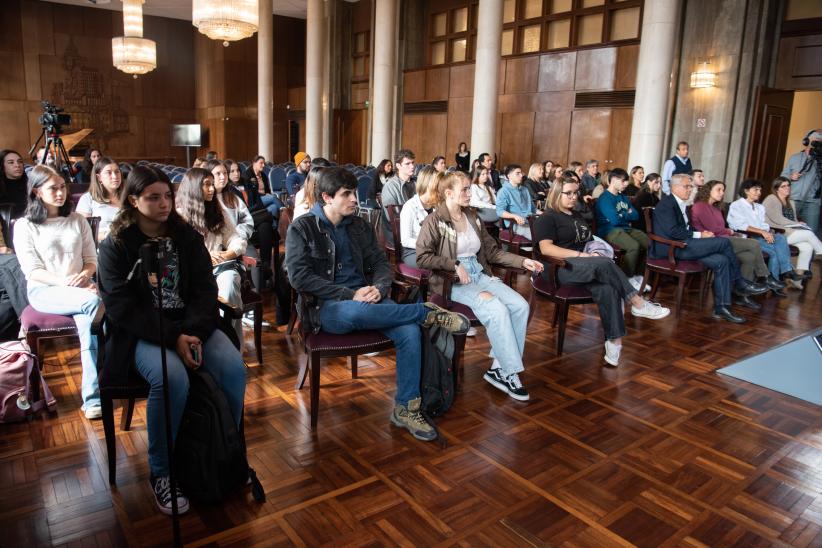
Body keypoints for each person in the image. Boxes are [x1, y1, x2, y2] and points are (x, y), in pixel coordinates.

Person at [97, 165, 245, 516]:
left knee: (234, 371)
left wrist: (191, 331)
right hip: (145, 332)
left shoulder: (185, 236)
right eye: (153, 197)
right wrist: (174, 337)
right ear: (133, 200)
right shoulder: (116, 244)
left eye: (168, 196)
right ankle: (162, 471)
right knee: (170, 377)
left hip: (192, 326)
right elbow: (121, 307)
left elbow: (204, 289)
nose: (164, 204)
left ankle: (227, 451)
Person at [285, 167, 469, 442]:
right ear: (326, 197)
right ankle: (425, 312)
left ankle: (406, 408)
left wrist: (379, 288)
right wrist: (350, 294)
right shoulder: (303, 227)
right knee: (360, 311)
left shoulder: (359, 226)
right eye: (346, 194)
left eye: (355, 193)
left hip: (370, 298)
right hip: (329, 306)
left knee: (408, 331)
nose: (354, 199)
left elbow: (382, 264)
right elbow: (299, 277)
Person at [416, 171, 543, 400]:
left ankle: (498, 368)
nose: (469, 193)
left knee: (520, 305)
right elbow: (423, 257)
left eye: (469, 188)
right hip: (452, 282)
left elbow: (492, 252)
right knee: (496, 308)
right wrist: (453, 264)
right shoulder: (434, 221)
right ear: (449, 193)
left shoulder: (473, 217)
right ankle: (511, 372)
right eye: (464, 189)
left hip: (478, 273)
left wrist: (523, 261)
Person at [534, 176, 670, 366]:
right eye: (569, 193)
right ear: (557, 193)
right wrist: (581, 256)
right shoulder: (548, 217)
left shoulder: (576, 216)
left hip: (584, 266)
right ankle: (637, 302)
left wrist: (594, 250)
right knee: (605, 264)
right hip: (559, 268)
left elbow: (588, 240)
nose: (574, 197)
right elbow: (546, 249)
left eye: (576, 193)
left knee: (608, 287)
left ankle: (614, 341)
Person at [13, 165, 101, 417]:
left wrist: (84, 276)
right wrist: (68, 282)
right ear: (38, 192)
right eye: (53, 188)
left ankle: (92, 399)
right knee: (96, 305)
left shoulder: (77, 220)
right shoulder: (25, 226)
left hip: (82, 291)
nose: (61, 192)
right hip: (45, 291)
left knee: (89, 326)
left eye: (63, 187)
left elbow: (90, 260)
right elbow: (32, 270)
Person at [651, 174, 766, 323]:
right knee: (723, 243)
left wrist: (701, 234)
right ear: (674, 187)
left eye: (690, 186)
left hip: (686, 244)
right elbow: (673, 232)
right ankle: (739, 282)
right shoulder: (667, 204)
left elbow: (686, 227)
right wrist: (700, 234)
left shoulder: (682, 203)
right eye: (686, 186)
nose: (689, 190)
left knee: (722, 260)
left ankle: (722, 308)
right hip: (673, 247)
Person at [176, 168, 247, 342]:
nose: (212, 189)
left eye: (211, 185)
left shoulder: (217, 211)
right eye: (206, 185)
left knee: (230, 282)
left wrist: (228, 253)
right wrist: (206, 256)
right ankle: (211, 337)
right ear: (193, 188)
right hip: (194, 275)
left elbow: (237, 239)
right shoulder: (179, 217)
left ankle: (233, 342)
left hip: (220, 267)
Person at [691, 180, 782, 303]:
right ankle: (765, 276)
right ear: (708, 190)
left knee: (749, 258)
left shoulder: (716, 208)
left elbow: (721, 229)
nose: (722, 193)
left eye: (723, 190)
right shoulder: (700, 206)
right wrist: (730, 232)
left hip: (722, 239)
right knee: (754, 244)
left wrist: (728, 232)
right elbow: (714, 230)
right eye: (718, 190)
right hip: (711, 242)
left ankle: (742, 295)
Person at [727, 179, 803, 289]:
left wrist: (768, 232)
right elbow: (739, 226)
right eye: (755, 190)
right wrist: (762, 232)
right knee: (773, 252)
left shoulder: (759, 207)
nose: (759, 192)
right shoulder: (736, 205)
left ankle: (786, 271)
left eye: (760, 190)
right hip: (748, 238)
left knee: (780, 238)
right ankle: (773, 282)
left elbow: (763, 224)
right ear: (746, 191)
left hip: (761, 236)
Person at [594, 168, 648, 286]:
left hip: (625, 229)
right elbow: (614, 220)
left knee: (649, 243)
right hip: (609, 230)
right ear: (613, 180)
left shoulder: (623, 197)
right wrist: (626, 213)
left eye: (627, 181)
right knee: (633, 246)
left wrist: (621, 214)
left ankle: (637, 276)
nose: (626, 184)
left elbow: (636, 215)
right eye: (623, 181)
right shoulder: (605, 198)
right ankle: (625, 279)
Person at [764, 176, 822, 278]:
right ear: (777, 188)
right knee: (808, 234)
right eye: (783, 186)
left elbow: (793, 220)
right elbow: (777, 219)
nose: (787, 188)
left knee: (807, 247)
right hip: (776, 234)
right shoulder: (771, 199)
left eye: (788, 185)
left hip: (790, 232)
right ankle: (820, 251)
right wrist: (797, 224)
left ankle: (797, 278)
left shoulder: (791, 202)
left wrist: (798, 223)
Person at [781, 129, 821, 235]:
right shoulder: (795, 158)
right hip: (793, 199)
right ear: (806, 141)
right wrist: (791, 176)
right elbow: (782, 177)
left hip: (813, 202)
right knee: (788, 229)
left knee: (812, 232)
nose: (817, 144)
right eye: (815, 140)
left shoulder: (820, 161)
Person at [75, 156, 122, 241]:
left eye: (117, 171)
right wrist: (107, 236)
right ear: (99, 177)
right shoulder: (87, 199)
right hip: (100, 249)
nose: (115, 176)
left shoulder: (128, 197)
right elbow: (82, 232)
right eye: (109, 172)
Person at [399, 166, 437, 267]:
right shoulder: (410, 206)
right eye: (437, 184)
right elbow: (406, 241)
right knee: (442, 266)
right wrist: (429, 245)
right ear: (427, 184)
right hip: (413, 252)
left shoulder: (437, 206)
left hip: (435, 251)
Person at [381, 149, 417, 244]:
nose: (412, 166)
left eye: (413, 162)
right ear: (398, 166)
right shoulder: (390, 187)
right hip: (398, 234)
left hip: (416, 229)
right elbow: (392, 218)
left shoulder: (416, 183)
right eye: (407, 164)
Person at [496, 164, 535, 239]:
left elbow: (533, 208)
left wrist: (544, 214)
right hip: (516, 224)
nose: (521, 175)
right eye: (517, 173)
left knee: (549, 230)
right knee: (540, 236)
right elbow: (500, 211)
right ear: (509, 176)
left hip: (530, 221)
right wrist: (514, 216)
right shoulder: (503, 191)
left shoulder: (525, 189)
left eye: (521, 173)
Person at [243, 155, 283, 224]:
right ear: (254, 163)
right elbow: (250, 193)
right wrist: (264, 194)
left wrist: (266, 195)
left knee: (273, 208)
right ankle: (284, 211)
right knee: (273, 197)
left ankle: (274, 229)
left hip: (264, 198)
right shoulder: (247, 175)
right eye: (261, 163)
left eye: (264, 163)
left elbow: (267, 190)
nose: (263, 165)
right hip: (255, 200)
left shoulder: (263, 175)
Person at [0, 149, 29, 219]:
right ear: (2, 166)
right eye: (11, 162)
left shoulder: (31, 185)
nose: (17, 165)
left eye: (20, 162)